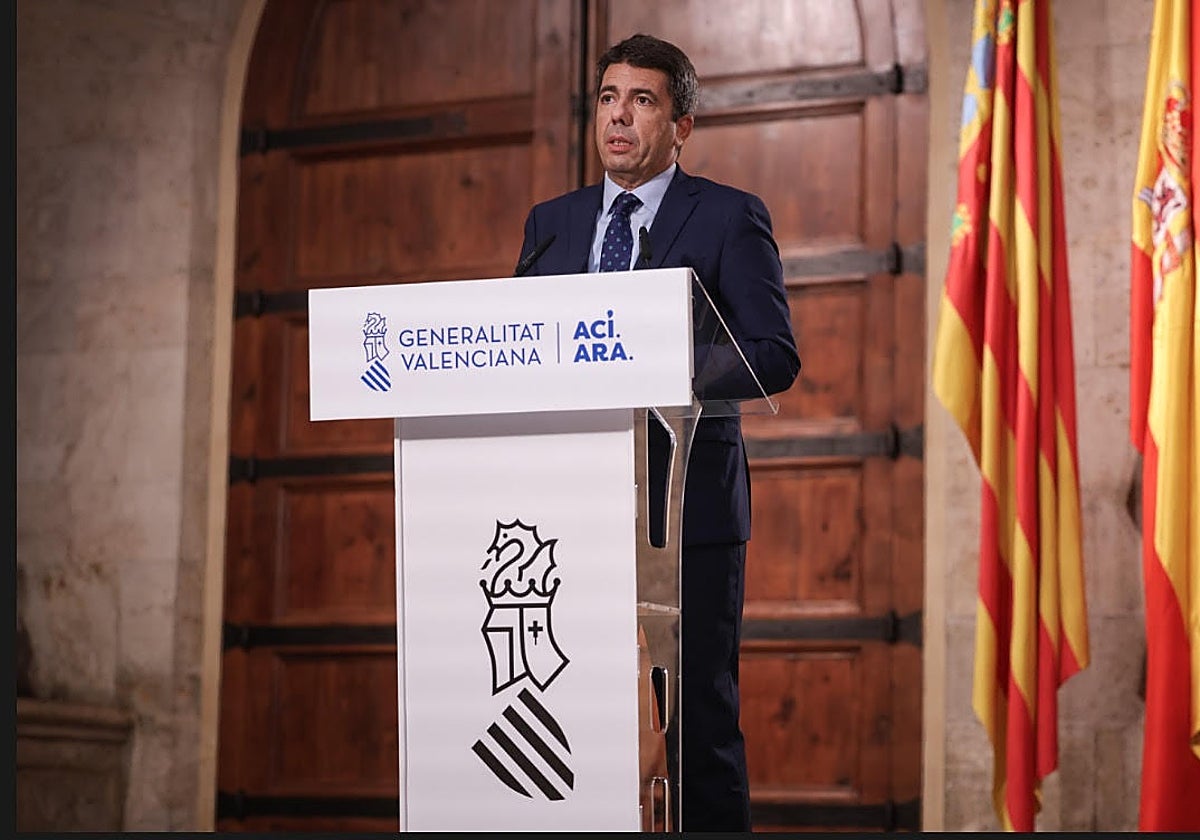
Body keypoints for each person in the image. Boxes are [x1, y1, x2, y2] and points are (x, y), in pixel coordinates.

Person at [514, 33, 800, 831]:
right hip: (567, 515)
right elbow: (517, 345)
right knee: (577, 714)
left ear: (680, 126)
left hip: (687, 515)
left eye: (642, 100)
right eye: (608, 97)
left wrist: (655, 363)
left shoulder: (728, 216)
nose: (619, 116)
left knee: (694, 729)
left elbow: (774, 357)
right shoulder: (553, 224)